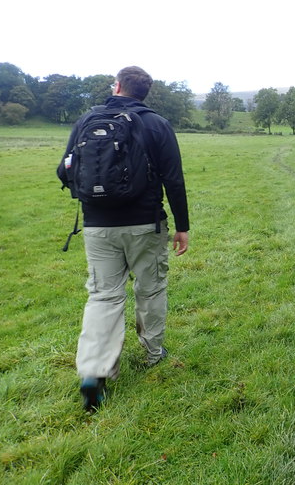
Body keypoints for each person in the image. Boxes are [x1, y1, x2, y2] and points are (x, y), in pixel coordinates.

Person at [58, 66, 190, 412]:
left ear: (116, 87)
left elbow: (64, 170)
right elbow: (173, 179)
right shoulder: (157, 124)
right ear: (144, 93)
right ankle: (152, 354)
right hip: (145, 224)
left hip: (97, 226)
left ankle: (94, 372)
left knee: (103, 297)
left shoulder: (87, 120)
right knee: (151, 288)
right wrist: (182, 226)